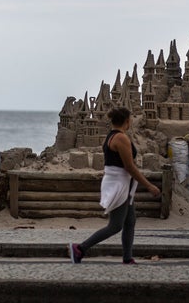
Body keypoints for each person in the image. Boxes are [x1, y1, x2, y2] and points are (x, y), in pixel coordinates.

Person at [68, 107, 161, 264]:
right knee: (115, 226)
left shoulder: (111, 136)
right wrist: (149, 185)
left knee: (130, 221)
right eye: (131, 119)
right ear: (127, 121)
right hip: (119, 184)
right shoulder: (121, 138)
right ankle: (80, 248)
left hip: (121, 182)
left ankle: (127, 258)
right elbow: (129, 166)